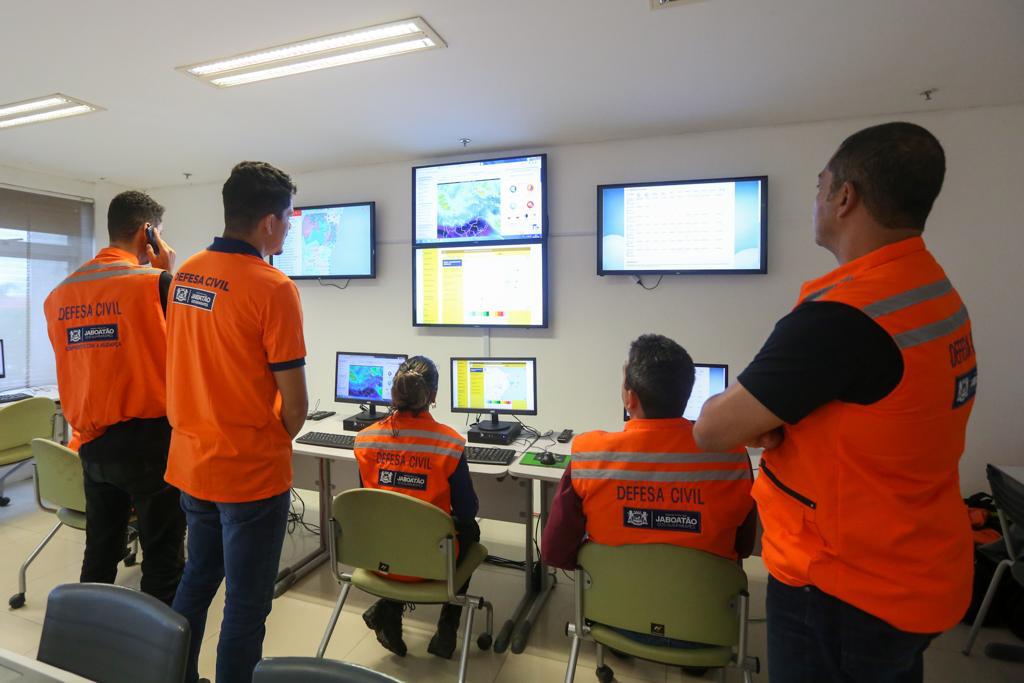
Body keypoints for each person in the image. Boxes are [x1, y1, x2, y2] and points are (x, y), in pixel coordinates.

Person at [694, 122, 977, 683]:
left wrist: (764, 421)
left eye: (820, 185)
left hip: (841, 585)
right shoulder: (930, 289)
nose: (817, 199)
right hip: (916, 565)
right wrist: (776, 417)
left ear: (845, 197)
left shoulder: (842, 317)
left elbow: (710, 430)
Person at [165, 161, 308, 683]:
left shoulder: (186, 275)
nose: (289, 228)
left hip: (192, 462)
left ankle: (172, 674)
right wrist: (269, 440)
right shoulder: (273, 287)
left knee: (197, 579)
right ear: (269, 223)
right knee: (247, 607)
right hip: (248, 473)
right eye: (289, 219)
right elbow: (296, 405)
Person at [542, 333, 756, 650]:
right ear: (689, 394)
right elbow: (744, 546)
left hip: (612, 616)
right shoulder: (732, 457)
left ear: (630, 398)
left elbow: (555, 550)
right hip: (703, 628)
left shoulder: (589, 453)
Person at [43, 190, 185, 606]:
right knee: (163, 560)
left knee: (100, 552)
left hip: (92, 444)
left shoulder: (59, 294)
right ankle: (155, 659)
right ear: (148, 233)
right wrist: (167, 273)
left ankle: (89, 647)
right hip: (151, 444)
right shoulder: (156, 283)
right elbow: (189, 354)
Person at [353, 356, 480, 660]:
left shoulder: (365, 439)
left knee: (396, 526)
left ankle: (390, 608)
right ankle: (447, 627)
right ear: (433, 395)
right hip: (432, 563)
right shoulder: (448, 443)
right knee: (470, 530)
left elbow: (370, 504)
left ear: (394, 393)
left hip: (379, 557)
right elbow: (466, 511)